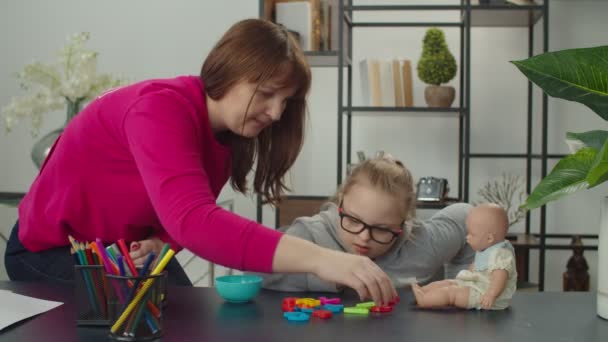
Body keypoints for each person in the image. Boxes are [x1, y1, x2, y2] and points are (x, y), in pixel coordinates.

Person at [4, 19, 396, 305]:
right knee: (158, 314)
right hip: (49, 250)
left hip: (117, 250)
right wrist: (323, 261)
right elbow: (194, 221)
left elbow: (175, 220)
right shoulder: (158, 110)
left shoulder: (223, 139)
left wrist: (161, 242)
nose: (276, 113)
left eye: (286, 102)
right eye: (268, 94)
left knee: (190, 315)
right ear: (231, 71)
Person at [257, 156, 475, 293]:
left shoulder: (423, 243)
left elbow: (468, 216)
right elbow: (256, 271)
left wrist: (462, 286)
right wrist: (324, 273)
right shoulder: (308, 234)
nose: (363, 238)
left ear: (403, 222)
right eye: (353, 220)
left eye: (381, 229)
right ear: (340, 201)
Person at [412, 203, 517, 310]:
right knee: (448, 282)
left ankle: (425, 300)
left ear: (489, 238)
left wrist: (491, 295)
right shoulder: (486, 248)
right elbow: (479, 266)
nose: (467, 237)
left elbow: (500, 277)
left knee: (452, 293)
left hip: (487, 297)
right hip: (477, 286)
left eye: (472, 234)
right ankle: (424, 291)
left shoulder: (501, 254)